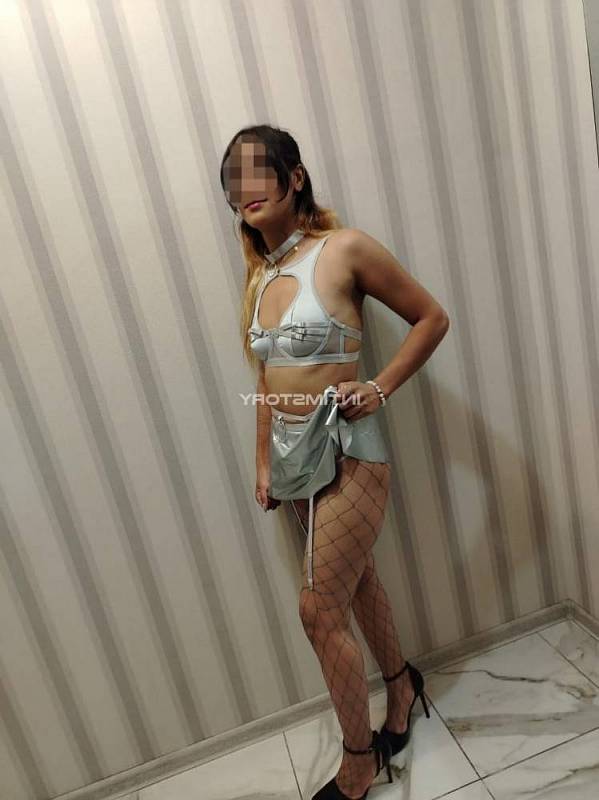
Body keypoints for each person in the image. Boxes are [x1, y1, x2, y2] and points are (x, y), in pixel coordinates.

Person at [220, 125, 448, 800]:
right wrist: (262, 463)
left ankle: (357, 759)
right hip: (291, 460)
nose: (242, 189)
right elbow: (267, 379)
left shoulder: (343, 249)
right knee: (356, 582)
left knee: (318, 611)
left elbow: (431, 318)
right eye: (231, 180)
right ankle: (401, 684)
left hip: (349, 451)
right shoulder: (262, 275)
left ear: (294, 177)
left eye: (254, 171)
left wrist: (379, 388)